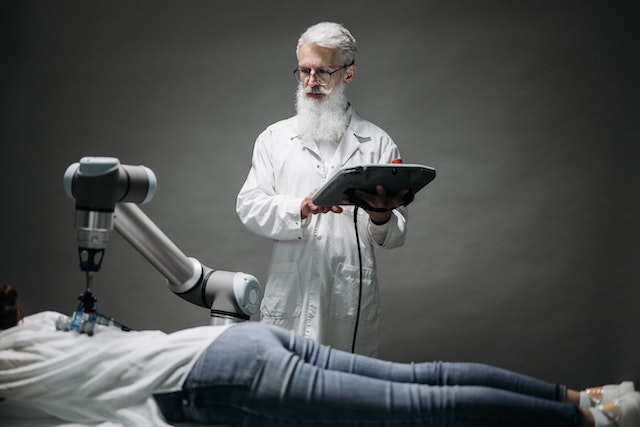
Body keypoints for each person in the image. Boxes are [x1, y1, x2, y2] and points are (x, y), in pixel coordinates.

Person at [1, 284, 639, 427]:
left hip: (209, 380)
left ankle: (591, 423)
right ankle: (589, 398)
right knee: (424, 380)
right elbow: (106, 340)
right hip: (236, 341)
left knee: (415, 412)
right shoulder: (48, 324)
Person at [236, 22, 410, 356]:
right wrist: (299, 208)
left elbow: (396, 233)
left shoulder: (377, 142)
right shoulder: (274, 139)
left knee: (345, 387)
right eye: (304, 71)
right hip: (291, 290)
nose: (311, 82)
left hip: (349, 292)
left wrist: (381, 215)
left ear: (348, 74)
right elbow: (249, 205)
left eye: (323, 71)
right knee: (284, 385)